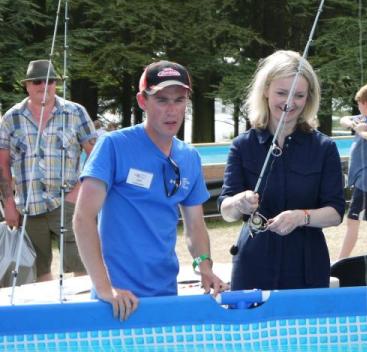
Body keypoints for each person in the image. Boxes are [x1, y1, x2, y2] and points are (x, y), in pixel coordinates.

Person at [74, 61, 225, 321]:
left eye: (179, 100)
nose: (171, 110)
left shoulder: (189, 156)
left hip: (166, 296)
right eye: (162, 100)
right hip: (118, 301)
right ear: (143, 102)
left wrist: (205, 266)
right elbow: (83, 218)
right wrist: (105, 288)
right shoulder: (113, 146)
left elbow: (195, 225)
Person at [219, 50, 345, 291]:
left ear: (308, 98)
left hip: (307, 266)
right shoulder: (242, 145)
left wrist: (301, 217)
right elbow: (226, 211)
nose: (289, 102)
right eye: (281, 93)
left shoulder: (324, 148)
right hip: (253, 266)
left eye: (298, 95)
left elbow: (336, 212)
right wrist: (238, 203)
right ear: (265, 91)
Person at [0, 59, 97, 282]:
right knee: (39, 271)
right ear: (27, 85)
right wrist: (8, 204)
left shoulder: (75, 112)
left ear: (56, 84)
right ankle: (51, 316)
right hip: (29, 206)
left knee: (82, 266)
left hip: (69, 203)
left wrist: (80, 191)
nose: (44, 86)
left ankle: (78, 316)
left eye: (50, 81)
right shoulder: (11, 118)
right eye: (37, 81)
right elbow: (2, 165)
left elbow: (97, 156)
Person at [337, 83, 367, 260]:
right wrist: (356, 126)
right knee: (358, 223)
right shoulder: (362, 118)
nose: (358, 106)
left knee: (360, 223)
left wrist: (362, 132)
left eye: (359, 103)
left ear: (366, 102)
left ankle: (344, 260)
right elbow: (343, 119)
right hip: (361, 181)